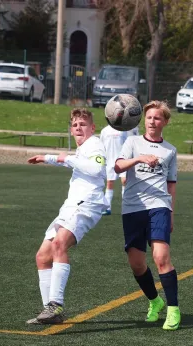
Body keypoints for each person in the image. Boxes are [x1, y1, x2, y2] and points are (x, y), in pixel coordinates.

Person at [25, 108, 108, 324]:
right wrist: (47, 158)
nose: (78, 127)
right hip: (70, 207)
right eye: (74, 125)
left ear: (92, 127)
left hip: (87, 205)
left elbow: (96, 169)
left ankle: (56, 304)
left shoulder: (95, 145)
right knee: (42, 256)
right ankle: (49, 312)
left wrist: (62, 158)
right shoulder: (81, 149)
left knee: (59, 244)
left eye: (83, 124)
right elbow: (70, 161)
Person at [114, 100, 180, 331]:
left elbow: (171, 184)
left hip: (159, 206)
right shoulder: (132, 142)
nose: (153, 122)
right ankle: (155, 301)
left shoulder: (170, 150)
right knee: (137, 264)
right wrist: (140, 158)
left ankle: (173, 309)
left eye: (158, 118)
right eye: (150, 117)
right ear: (145, 120)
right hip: (132, 207)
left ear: (165, 122)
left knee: (161, 258)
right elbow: (118, 167)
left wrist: (170, 213)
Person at [99, 124, 139, 215]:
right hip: (109, 161)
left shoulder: (123, 130)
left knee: (124, 181)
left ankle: (126, 206)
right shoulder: (105, 130)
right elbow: (101, 146)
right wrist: (102, 161)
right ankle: (107, 207)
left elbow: (128, 144)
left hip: (122, 160)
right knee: (109, 183)